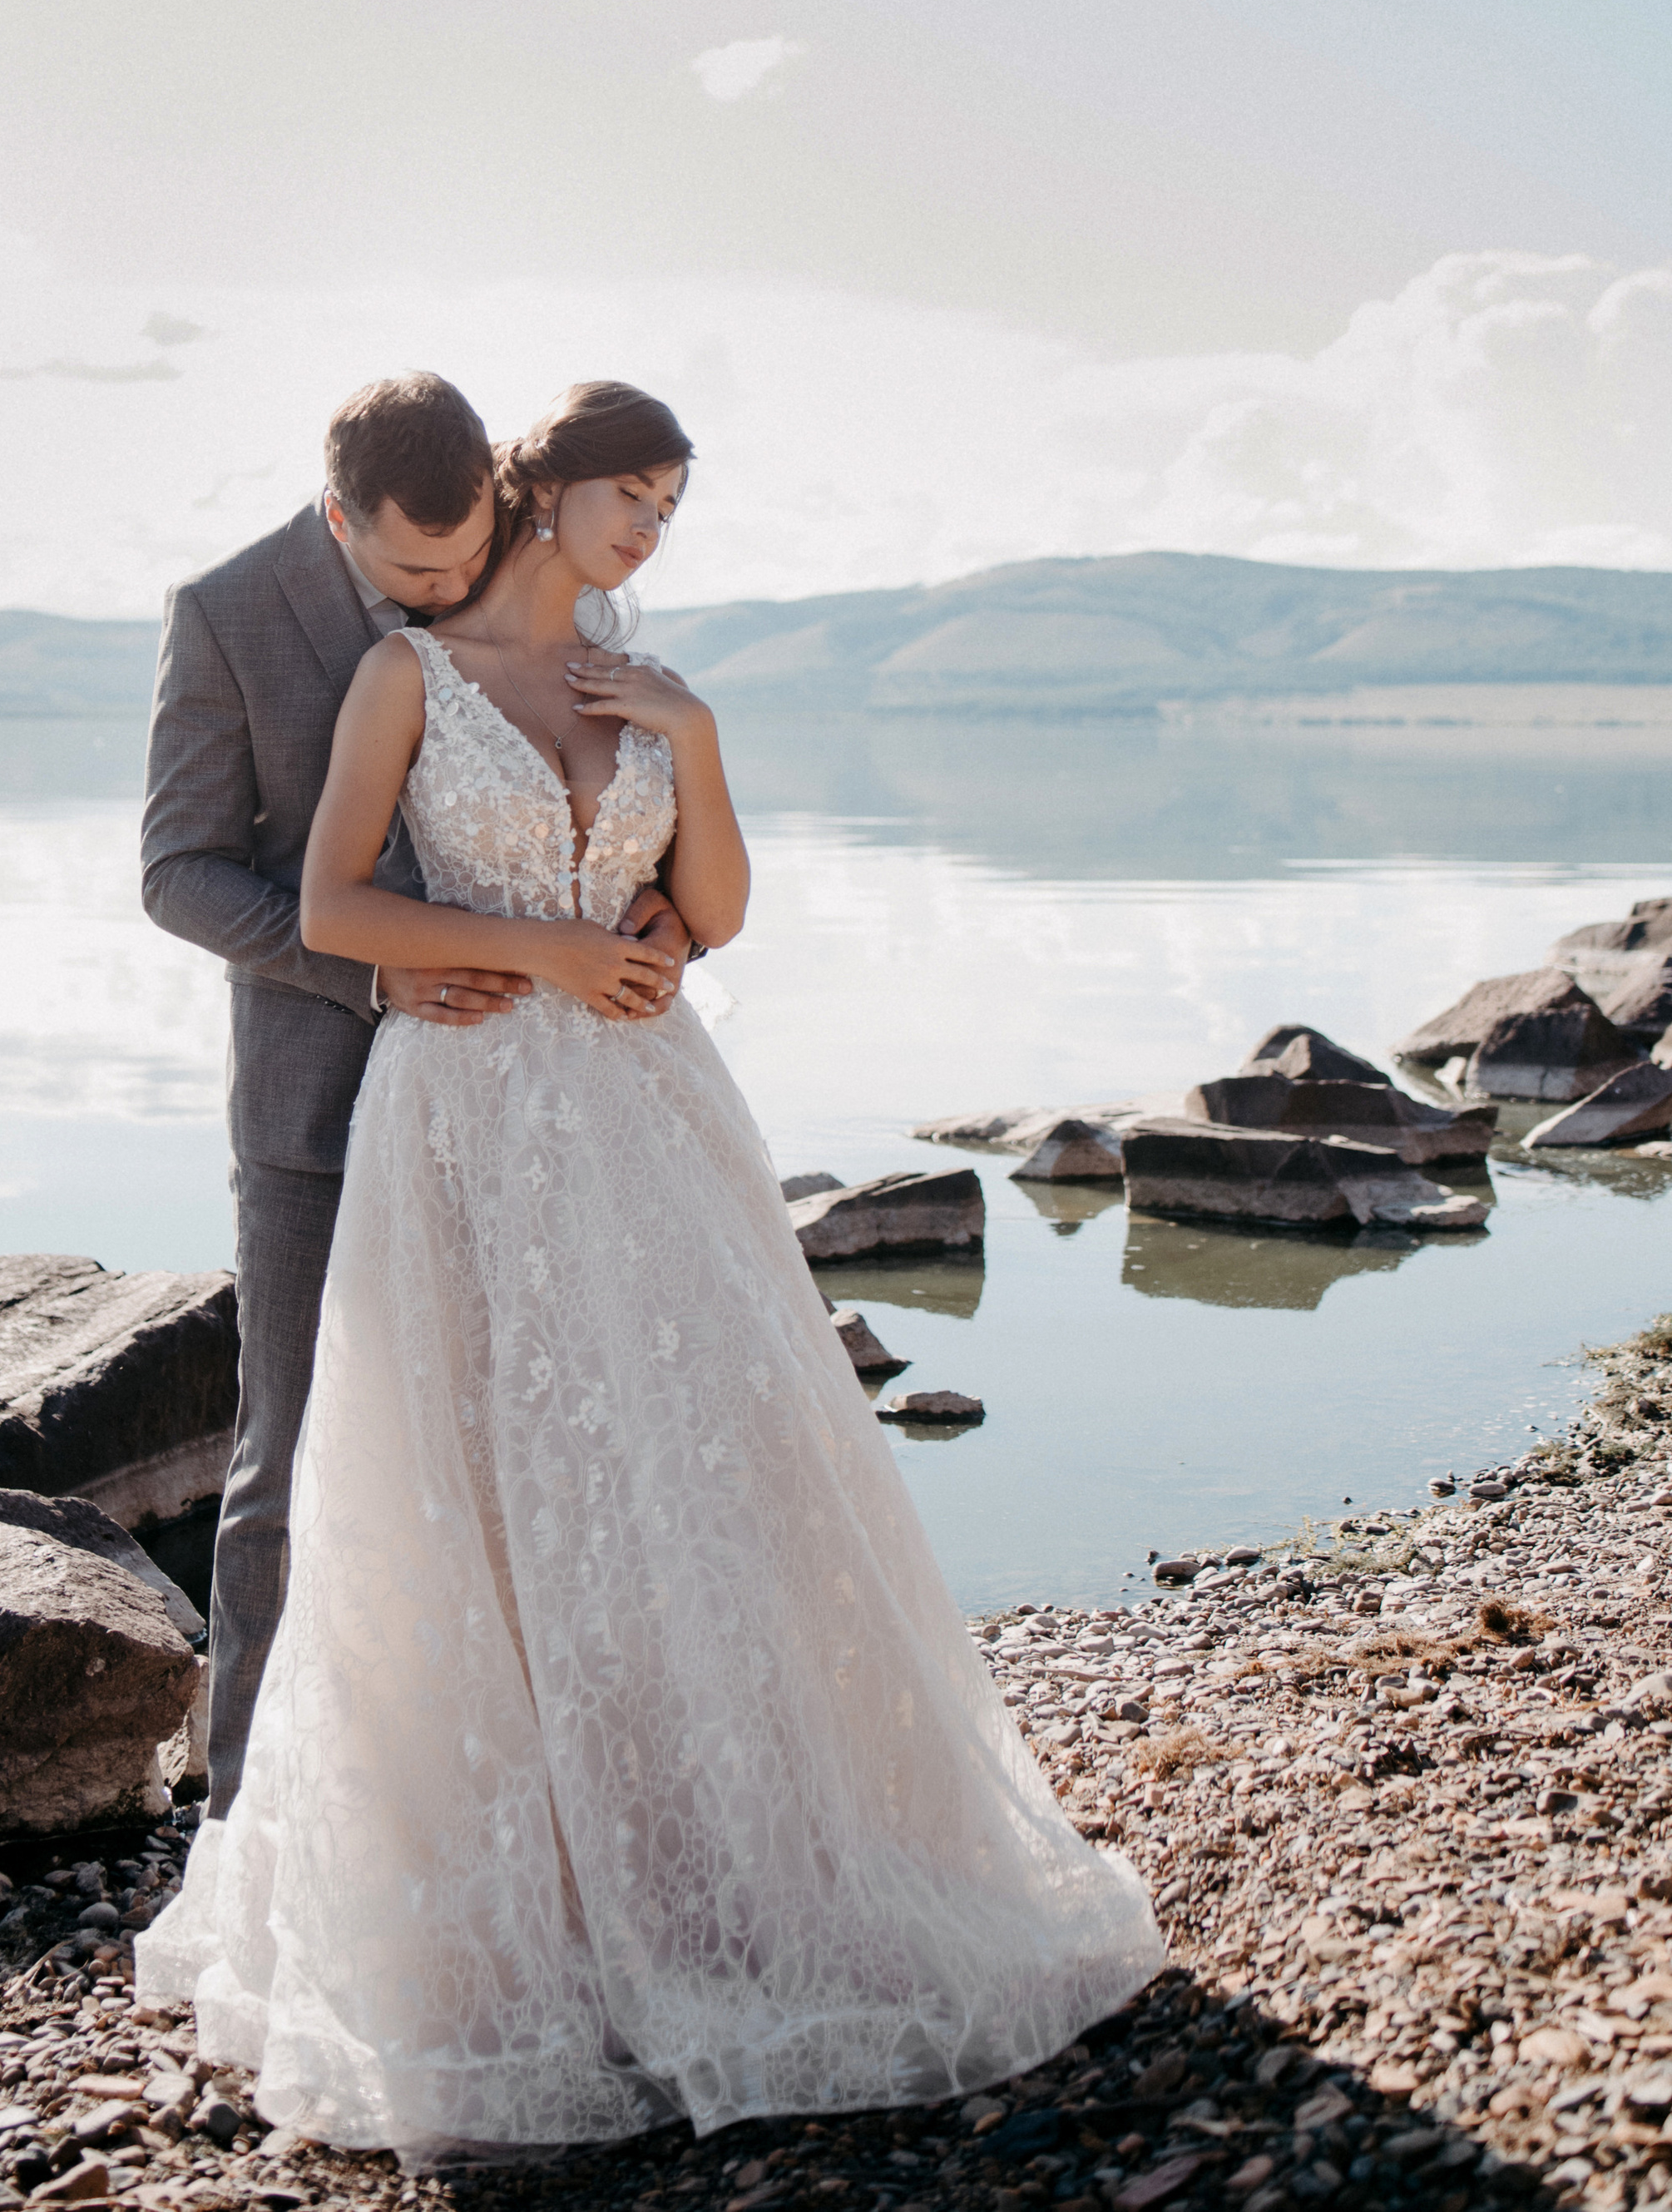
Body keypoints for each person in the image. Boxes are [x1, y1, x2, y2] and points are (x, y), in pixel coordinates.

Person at [137, 381, 1160, 2155]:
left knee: (677, 1470)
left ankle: (687, 1850)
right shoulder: (293, 635)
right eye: (636, 495)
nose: (646, 531)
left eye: (672, 504)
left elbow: (710, 898)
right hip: (405, 1094)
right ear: (363, 520)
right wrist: (491, 958)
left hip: (637, 1115)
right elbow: (243, 885)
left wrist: (688, 783)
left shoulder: (620, 652)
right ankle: (320, 1853)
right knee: (341, 1474)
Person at [140, 371, 691, 1814]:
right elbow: (179, 872)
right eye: (411, 572)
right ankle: (251, 1807)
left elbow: (613, 809)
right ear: (338, 517)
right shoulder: (227, 614)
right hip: (326, 1095)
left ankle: (507, 1790)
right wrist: (377, 977)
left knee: (527, 1434)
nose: (443, 592)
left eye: (462, 560)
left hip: (540, 1104)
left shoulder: (524, 582)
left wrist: (662, 927)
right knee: (294, 1449)